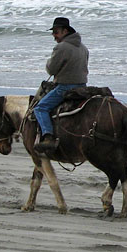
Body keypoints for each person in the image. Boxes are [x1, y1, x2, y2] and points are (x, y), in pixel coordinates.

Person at [33, 17, 89, 153]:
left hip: (65, 87)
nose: (54, 36)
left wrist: (48, 62)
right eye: (53, 32)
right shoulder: (83, 48)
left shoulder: (61, 47)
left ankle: (48, 136)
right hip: (83, 87)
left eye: (56, 32)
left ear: (65, 31)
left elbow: (51, 70)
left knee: (40, 108)